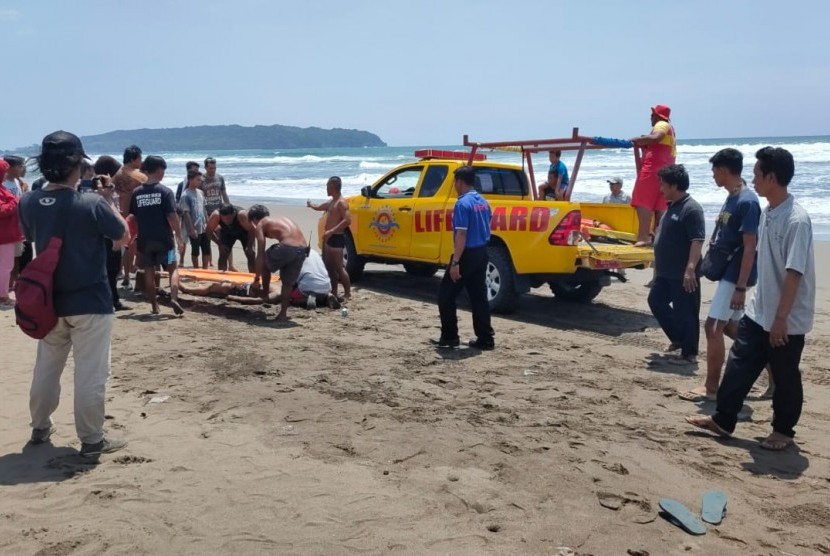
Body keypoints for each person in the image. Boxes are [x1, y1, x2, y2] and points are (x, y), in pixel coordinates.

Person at [686, 147, 815, 451]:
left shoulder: (796, 220)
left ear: (771, 177)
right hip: (760, 311)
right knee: (740, 364)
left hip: (788, 318)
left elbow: (794, 273)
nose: (753, 180)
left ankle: (783, 431)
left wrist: (781, 319)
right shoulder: (768, 211)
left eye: (757, 174)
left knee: (785, 376)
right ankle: (723, 420)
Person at [19, 131, 131, 458]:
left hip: (48, 299)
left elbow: (31, 235)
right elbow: (122, 235)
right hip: (91, 300)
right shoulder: (91, 202)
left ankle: (40, 426)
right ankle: (92, 439)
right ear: (78, 165)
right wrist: (107, 197)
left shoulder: (29, 201)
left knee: (47, 368)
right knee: (90, 374)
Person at [678, 149, 767, 401]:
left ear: (725, 170)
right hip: (730, 272)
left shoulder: (747, 202)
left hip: (736, 275)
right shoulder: (733, 197)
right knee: (731, 327)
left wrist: (740, 287)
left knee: (713, 326)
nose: (713, 175)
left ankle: (711, 387)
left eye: (715, 170)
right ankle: (772, 369)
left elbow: (751, 246)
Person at [647, 164, 705, 364]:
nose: (660, 189)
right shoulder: (671, 206)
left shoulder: (692, 209)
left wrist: (690, 269)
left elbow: (697, 240)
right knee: (655, 301)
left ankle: (689, 354)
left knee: (686, 312)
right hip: (665, 272)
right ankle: (678, 338)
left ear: (673, 185)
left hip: (683, 273)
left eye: (663, 184)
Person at [432, 165, 494, 350]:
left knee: (446, 296)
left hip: (467, 254)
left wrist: (456, 262)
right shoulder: (483, 201)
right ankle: (486, 338)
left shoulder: (462, 203)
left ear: (459, 181)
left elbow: (461, 235)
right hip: (482, 252)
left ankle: (450, 336)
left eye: (455, 182)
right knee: (478, 297)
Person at [128, 155, 185, 315]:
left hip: (145, 239)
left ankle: (154, 306)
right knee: (173, 269)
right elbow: (172, 217)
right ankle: (174, 298)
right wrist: (179, 236)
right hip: (164, 238)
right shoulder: (165, 192)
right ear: (159, 170)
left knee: (149, 271)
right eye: (163, 171)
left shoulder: (137, 193)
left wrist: (136, 235)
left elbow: (134, 217)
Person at [249, 204, 309, 322]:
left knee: (265, 262)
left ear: (255, 219)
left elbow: (260, 253)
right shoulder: (282, 220)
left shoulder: (261, 224)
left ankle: (265, 295)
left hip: (288, 247)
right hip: (302, 249)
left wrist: (257, 278)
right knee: (287, 283)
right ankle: (283, 314)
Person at [631, 104, 677, 246]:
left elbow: (657, 136)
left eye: (652, 116)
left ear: (657, 116)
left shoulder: (662, 125)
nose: (650, 119)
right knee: (660, 205)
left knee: (642, 200)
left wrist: (638, 140)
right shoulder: (672, 130)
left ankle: (644, 236)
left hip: (653, 169)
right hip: (667, 171)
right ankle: (659, 237)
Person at [93, 155, 129, 311]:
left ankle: (114, 300)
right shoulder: (99, 188)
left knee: (113, 270)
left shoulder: (109, 187)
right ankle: (110, 301)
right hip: (105, 236)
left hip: (111, 234)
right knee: (108, 270)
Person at [307, 176, 352, 300]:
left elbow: (348, 220)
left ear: (333, 187)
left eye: (327, 186)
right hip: (328, 238)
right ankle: (334, 291)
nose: (326, 189)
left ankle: (347, 293)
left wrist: (332, 231)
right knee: (329, 267)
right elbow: (319, 207)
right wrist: (311, 205)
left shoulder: (341, 203)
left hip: (337, 238)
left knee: (339, 267)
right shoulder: (331, 201)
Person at [112, 145, 143, 287]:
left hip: (119, 213)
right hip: (134, 214)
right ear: (133, 160)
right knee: (136, 246)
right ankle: (135, 271)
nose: (141, 162)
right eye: (139, 159)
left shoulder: (116, 175)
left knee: (125, 246)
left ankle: (125, 275)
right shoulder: (138, 175)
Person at [0, 159, 23, 306]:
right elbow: (2, 210)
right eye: (3, 171)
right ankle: (3, 296)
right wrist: (15, 201)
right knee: (5, 266)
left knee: (5, 265)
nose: (5, 174)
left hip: (6, 234)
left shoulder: (2, 188)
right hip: (3, 235)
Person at [3, 155, 28, 288]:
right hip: (8, 227)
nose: (22, 168)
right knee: (7, 259)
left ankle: (12, 284)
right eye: (19, 166)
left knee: (17, 257)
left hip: (18, 226)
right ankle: (6, 286)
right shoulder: (3, 184)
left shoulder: (18, 182)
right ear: (9, 167)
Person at [207, 204, 256, 272]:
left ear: (234, 213)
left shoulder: (241, 215)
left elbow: (252, 230)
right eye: (224, 218)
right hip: (227, 232)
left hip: (245, 232)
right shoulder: (216, 216)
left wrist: (250, 245)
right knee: (223, 253)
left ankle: (254, 277)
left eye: (229, 218)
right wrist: (219, 244)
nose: (226, 221)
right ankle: (221, 276)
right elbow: (208, 231)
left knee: (250, 253)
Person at [179, 170, 211, 269]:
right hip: (194, 227)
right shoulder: (185, 195)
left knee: (206, 249)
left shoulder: (200, 192)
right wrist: (191, 229)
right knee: (195, 250)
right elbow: (186, 213)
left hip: (203, 226)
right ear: (190, 180)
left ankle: (205, 270)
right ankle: (196, 269)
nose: (200, 182)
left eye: (200, 180)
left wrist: (208, 222)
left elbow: (204, 209)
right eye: (198, 180)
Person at [201, 156, 229, 222]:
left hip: (219, 209)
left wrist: (229, 206)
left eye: (214, 168)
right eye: (211, 168)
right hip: (207, 211)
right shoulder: (201, 179)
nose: (213, 170)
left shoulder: (220, 178)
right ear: (205, 168)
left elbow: (224, 193)